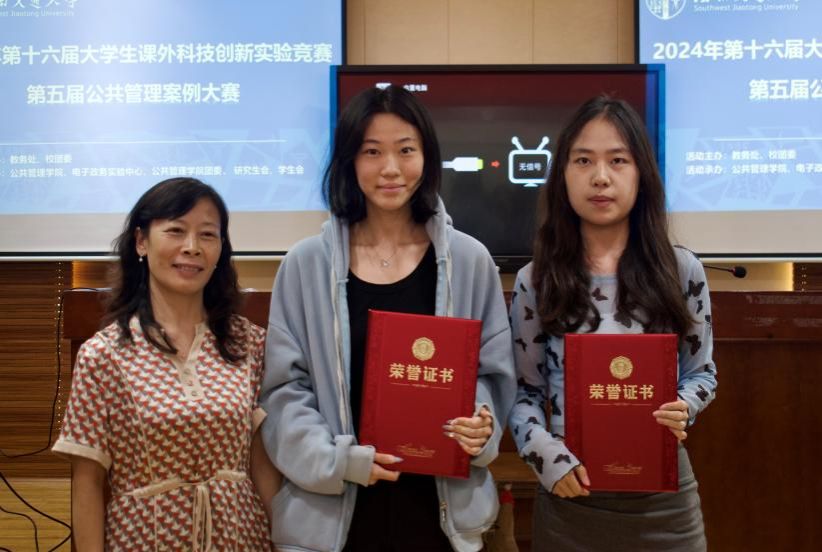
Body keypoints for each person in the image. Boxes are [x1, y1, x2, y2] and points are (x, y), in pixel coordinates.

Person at [259, 84, 516, 552]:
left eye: (406, 150)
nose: (391, 168)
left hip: (441, 515)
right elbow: (283, 391)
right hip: (333, 515)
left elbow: (492, 376)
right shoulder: (305, 264)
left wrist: (481, 424)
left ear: (427, 157)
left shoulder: (470, 260)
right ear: (349, 162)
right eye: (372, 151)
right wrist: (338, 462)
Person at [508, 96, 717, 551]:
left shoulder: (681, 270)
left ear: (641, 174)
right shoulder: (536, 280)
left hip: (664, 500)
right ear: (563, 175)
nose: (600, 177)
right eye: (583, 160)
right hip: (570, 496)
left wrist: (683, 406)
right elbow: (523, 395)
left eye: (618, 160)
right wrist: (547, 459)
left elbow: (702, 374)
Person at [53, 177, 280, 551]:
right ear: (141, 241)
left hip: (241, 537)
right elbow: (88, 482)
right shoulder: (103, 355)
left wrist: (288, 543)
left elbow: (262, 465)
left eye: (208, 235)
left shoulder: (250, 343)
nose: (192, 247)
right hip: (143, 538)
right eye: (176, 230)